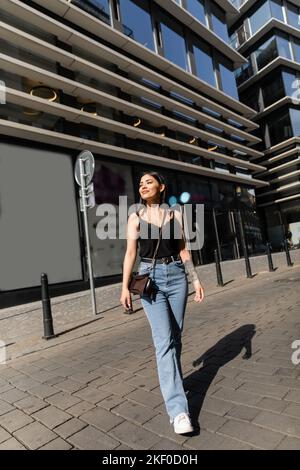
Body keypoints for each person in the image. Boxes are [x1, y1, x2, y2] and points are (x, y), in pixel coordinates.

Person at [120, 171, 205, 434]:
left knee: (175, 338)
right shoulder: (135, 217)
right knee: (164, 341)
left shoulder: (174, 215)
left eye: (149, 182)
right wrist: (123, 286)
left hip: (177, 277)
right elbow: (130, 254)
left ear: (161, 187)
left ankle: (173, 382)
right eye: (141, 183)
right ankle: (178, 411)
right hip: (150, 279)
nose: (143, 186)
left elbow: (183, 250)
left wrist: (195, 280)